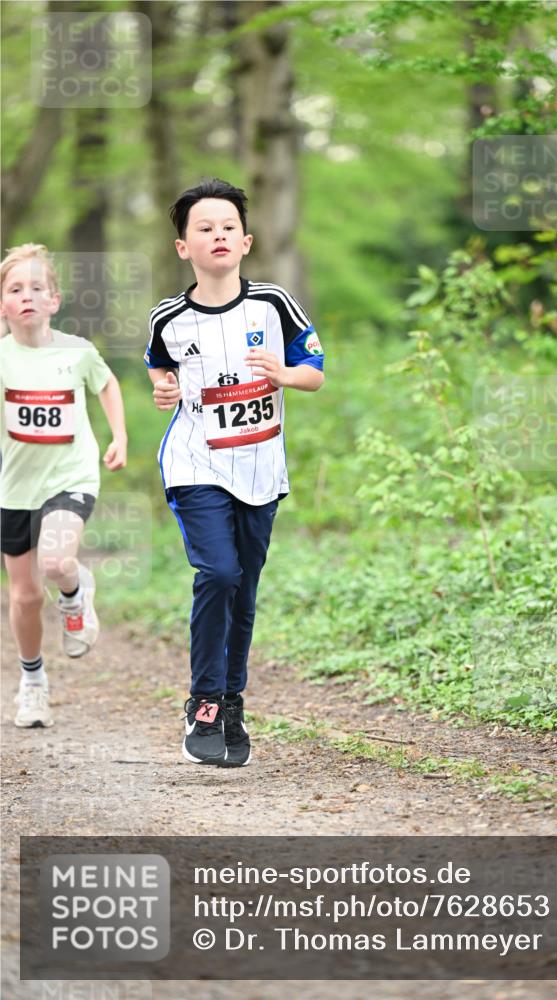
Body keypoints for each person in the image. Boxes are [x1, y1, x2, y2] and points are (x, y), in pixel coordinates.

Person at [145, 178, 325, 767]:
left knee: (244, 590)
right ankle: (202, 702)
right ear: (183, 247)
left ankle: (231, 701)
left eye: (227, 227)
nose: (217, 235)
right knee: (218, 573)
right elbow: (158, 366)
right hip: (195, 462)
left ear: (245, 242)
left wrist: (283, 374)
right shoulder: (169, 318)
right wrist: (164, 390)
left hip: (259, 465)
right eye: (204, 228)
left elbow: (315, 372)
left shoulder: (273, 304)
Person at [0, 243, 127, 728]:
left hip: (71, 476)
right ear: (3, 304)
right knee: (26, 596)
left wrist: (119, 435)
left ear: (54, 300)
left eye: (38, 288)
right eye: (16, 289)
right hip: (14, 488)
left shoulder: (77, 352)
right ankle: (32, 681)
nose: (27, 296)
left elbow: (107, 384)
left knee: (56, 561)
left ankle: (74, 594)